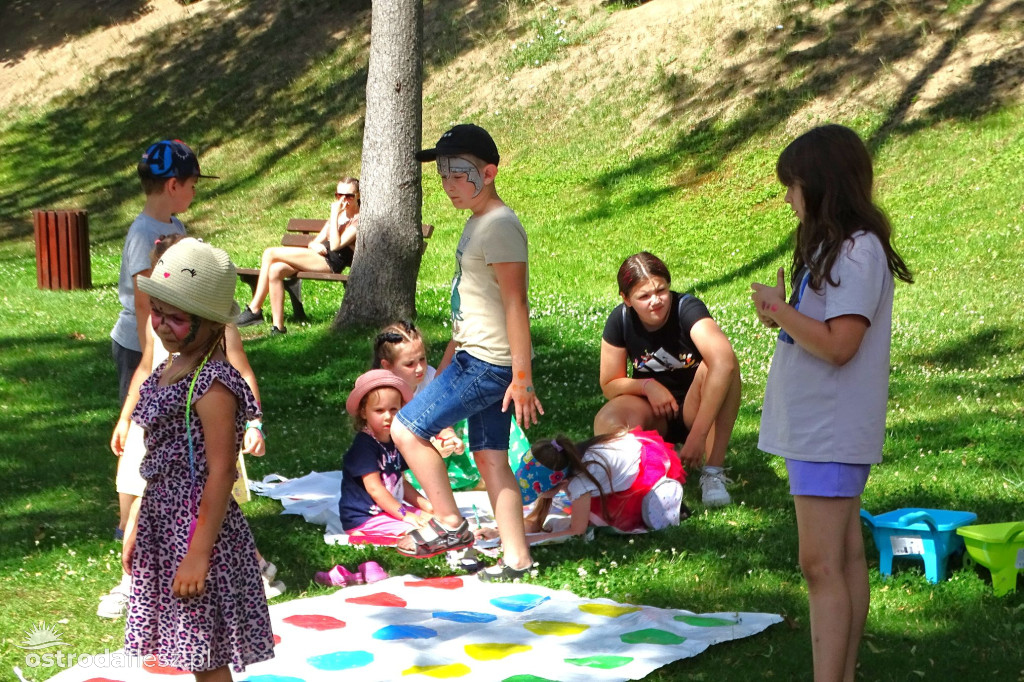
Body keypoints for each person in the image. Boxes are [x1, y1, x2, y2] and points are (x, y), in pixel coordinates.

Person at [750, 124, 912, 682]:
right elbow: (821, 333)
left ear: (821, 185)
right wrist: (784, 313)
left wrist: (780, 311)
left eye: (792, 186)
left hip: (830, 430)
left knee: (821, 564)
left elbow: (841, 345)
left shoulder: (857, 252)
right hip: (820, 429)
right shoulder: (837, 247)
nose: (788, 199)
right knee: (840, 559)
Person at [390, 124, 543, 582]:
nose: (448, 185)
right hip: (475, 357)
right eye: (443, 175)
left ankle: (450, 523)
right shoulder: (478, 221)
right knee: (491, 456)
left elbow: (516, 304)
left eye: (459, 175)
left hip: (487, 364)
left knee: (406, 428)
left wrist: (522, 377)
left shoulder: (499, 226)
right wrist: (445, 364)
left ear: (489, 173)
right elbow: (474, 305)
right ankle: (517, 558)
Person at [102, 234, 280, 619]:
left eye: (177, 318)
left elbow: (222, 472)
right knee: (173, 636)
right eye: (157, 312)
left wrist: (199, 554)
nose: (162, 326)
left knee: (200, 637)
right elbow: (160, 465)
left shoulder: (212, 386)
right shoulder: (173, 365)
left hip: (197, 531)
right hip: (162, 522)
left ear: (213, 323)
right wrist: (138, 525)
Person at [109, 139, 214, 539]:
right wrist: (152, 357)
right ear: (173, 185)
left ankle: (161, 507)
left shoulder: (174, 227)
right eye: (192, 185)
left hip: (168, 344)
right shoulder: (144, 234)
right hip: (141, 346)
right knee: (138, 428)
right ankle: (128, 519)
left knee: (163, 429)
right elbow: (144, 303)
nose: (194, 192)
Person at [594, 252, 741, 507]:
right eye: (644, 296)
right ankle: (637, 475)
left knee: (725, 363)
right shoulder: (621, 320)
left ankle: (712, 471)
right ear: (626, 299)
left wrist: (697, 436)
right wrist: (647, 386)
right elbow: (609, 384)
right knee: (607, 419)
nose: (655, 301)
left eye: (661, 290)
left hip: (697, 407)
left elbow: (723, 361)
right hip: (654, 412)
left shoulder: (687, 308)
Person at [516, 428, 688, 543]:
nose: (538, 497)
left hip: (644, 469)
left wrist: (532, 539)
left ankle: (665, 503)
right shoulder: (564, 459)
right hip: (628, 452)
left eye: (538, 493)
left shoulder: (579, 482)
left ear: (562, 483)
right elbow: (540, 510)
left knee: (604, 519)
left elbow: (577, 531)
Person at [235, 177, 360, 334]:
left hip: (331, 263)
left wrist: (334, 214)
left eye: (349, 196)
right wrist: (315, 245)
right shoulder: (339, 215)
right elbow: (314, 242)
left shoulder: (358, 220)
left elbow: (335, 245)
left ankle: (254, 309)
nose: (343, 200)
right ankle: (278, 327)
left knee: (270, 253)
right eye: (339, 195)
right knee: (275, 269)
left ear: (358, 196)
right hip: (317, 256)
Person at [337, 369, 434, 546]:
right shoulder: (364, 446)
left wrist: (425, 504)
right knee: (417, 532)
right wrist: (405, 515)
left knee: (436, 520)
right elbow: (375, 489)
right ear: (364, 412)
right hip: (365, 517)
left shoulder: (394, 440)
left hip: (389, 510)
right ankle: (363, 537)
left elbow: (401, 482)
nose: (388, 416)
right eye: (379, 410)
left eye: (393, 409)